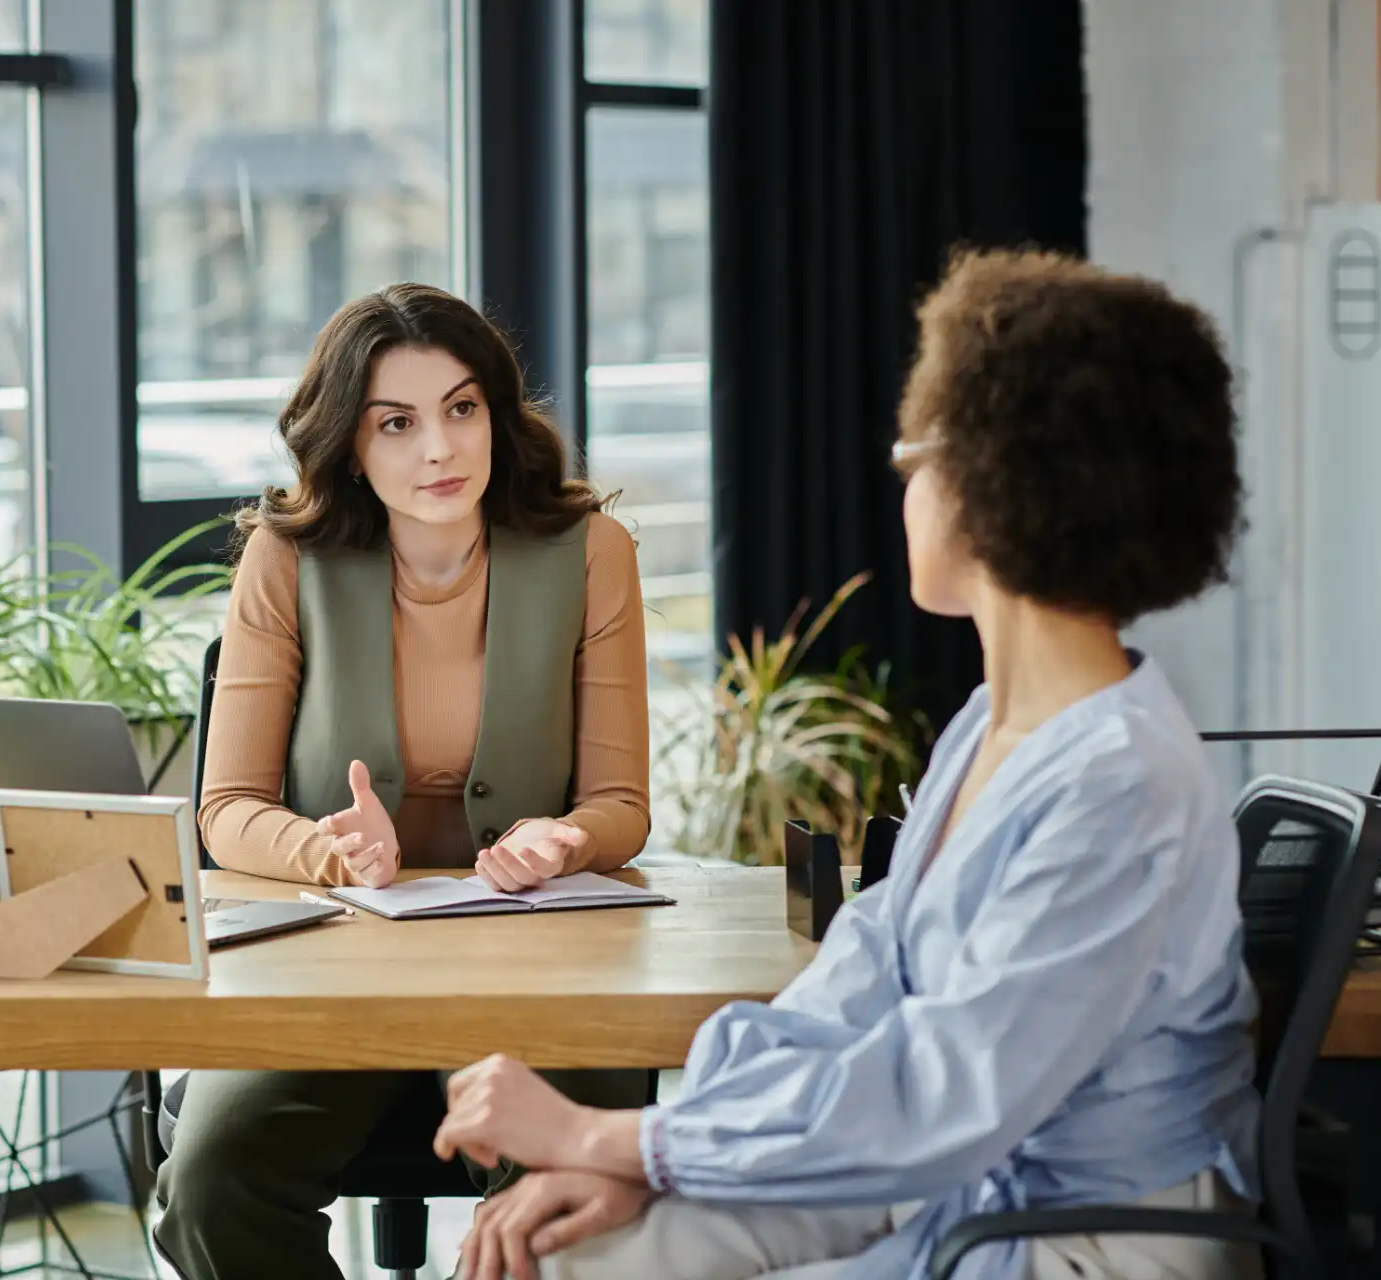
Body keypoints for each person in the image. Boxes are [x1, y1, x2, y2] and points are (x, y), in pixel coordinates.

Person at [432, 249, 1263, 1280]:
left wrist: (615, 1139)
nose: (904, 477)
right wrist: (660, 1165)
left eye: (917, 452)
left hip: (1073, 1235)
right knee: (566, 1255)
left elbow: (949, 1090)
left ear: (998, 478)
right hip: (944, 1181)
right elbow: (855, 993)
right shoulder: (990, 729)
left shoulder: (1119, 782)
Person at [152, 282, 654, 1279]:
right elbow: (225, 810)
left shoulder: (591, 551)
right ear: (349, 442)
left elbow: (621, 805)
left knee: (564, 1194)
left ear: (497, 418)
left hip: (532, 960)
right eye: (398, 421)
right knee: (212, 1183)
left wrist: (566, 838)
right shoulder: (283, 560)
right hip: (327, 966)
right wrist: (323, 847)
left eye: (462, 409)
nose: (440, 448)